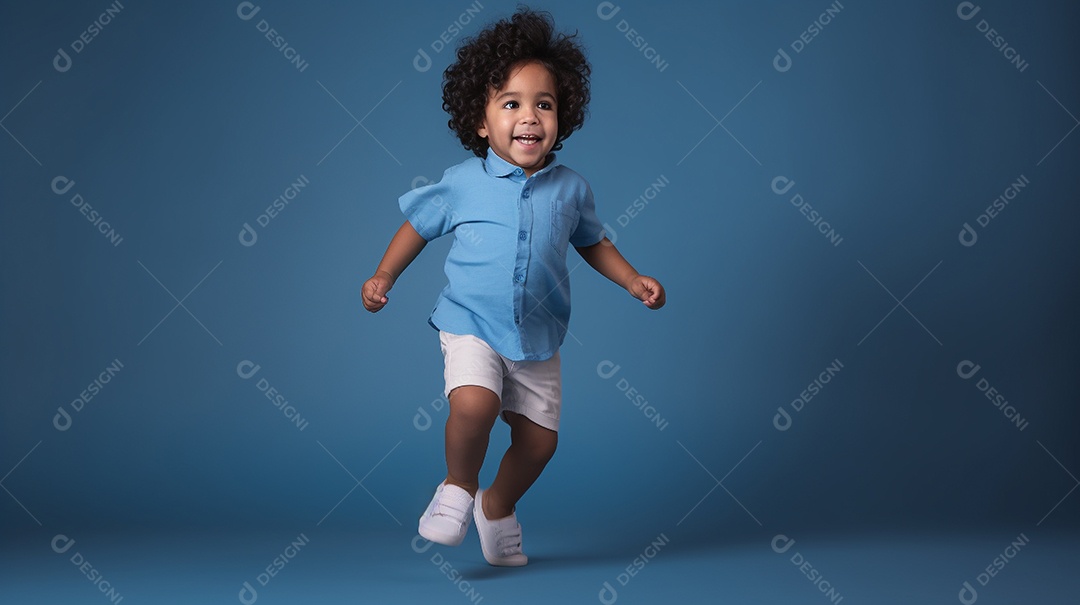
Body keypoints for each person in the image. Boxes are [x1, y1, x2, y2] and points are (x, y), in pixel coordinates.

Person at [362, 8, 665, 567]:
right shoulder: (462, 182)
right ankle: (457, 486)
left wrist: (631, 279)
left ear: (562, 116)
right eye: (511, 103)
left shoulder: (571, 189)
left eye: (543, 104)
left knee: (539, 444)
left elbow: (593, 242)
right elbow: (416, 227)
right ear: (480, 121)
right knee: (475, 405)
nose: (530, 117)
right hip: (471, 324)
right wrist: (385, 275)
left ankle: (496, 505)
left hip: (538, 336)